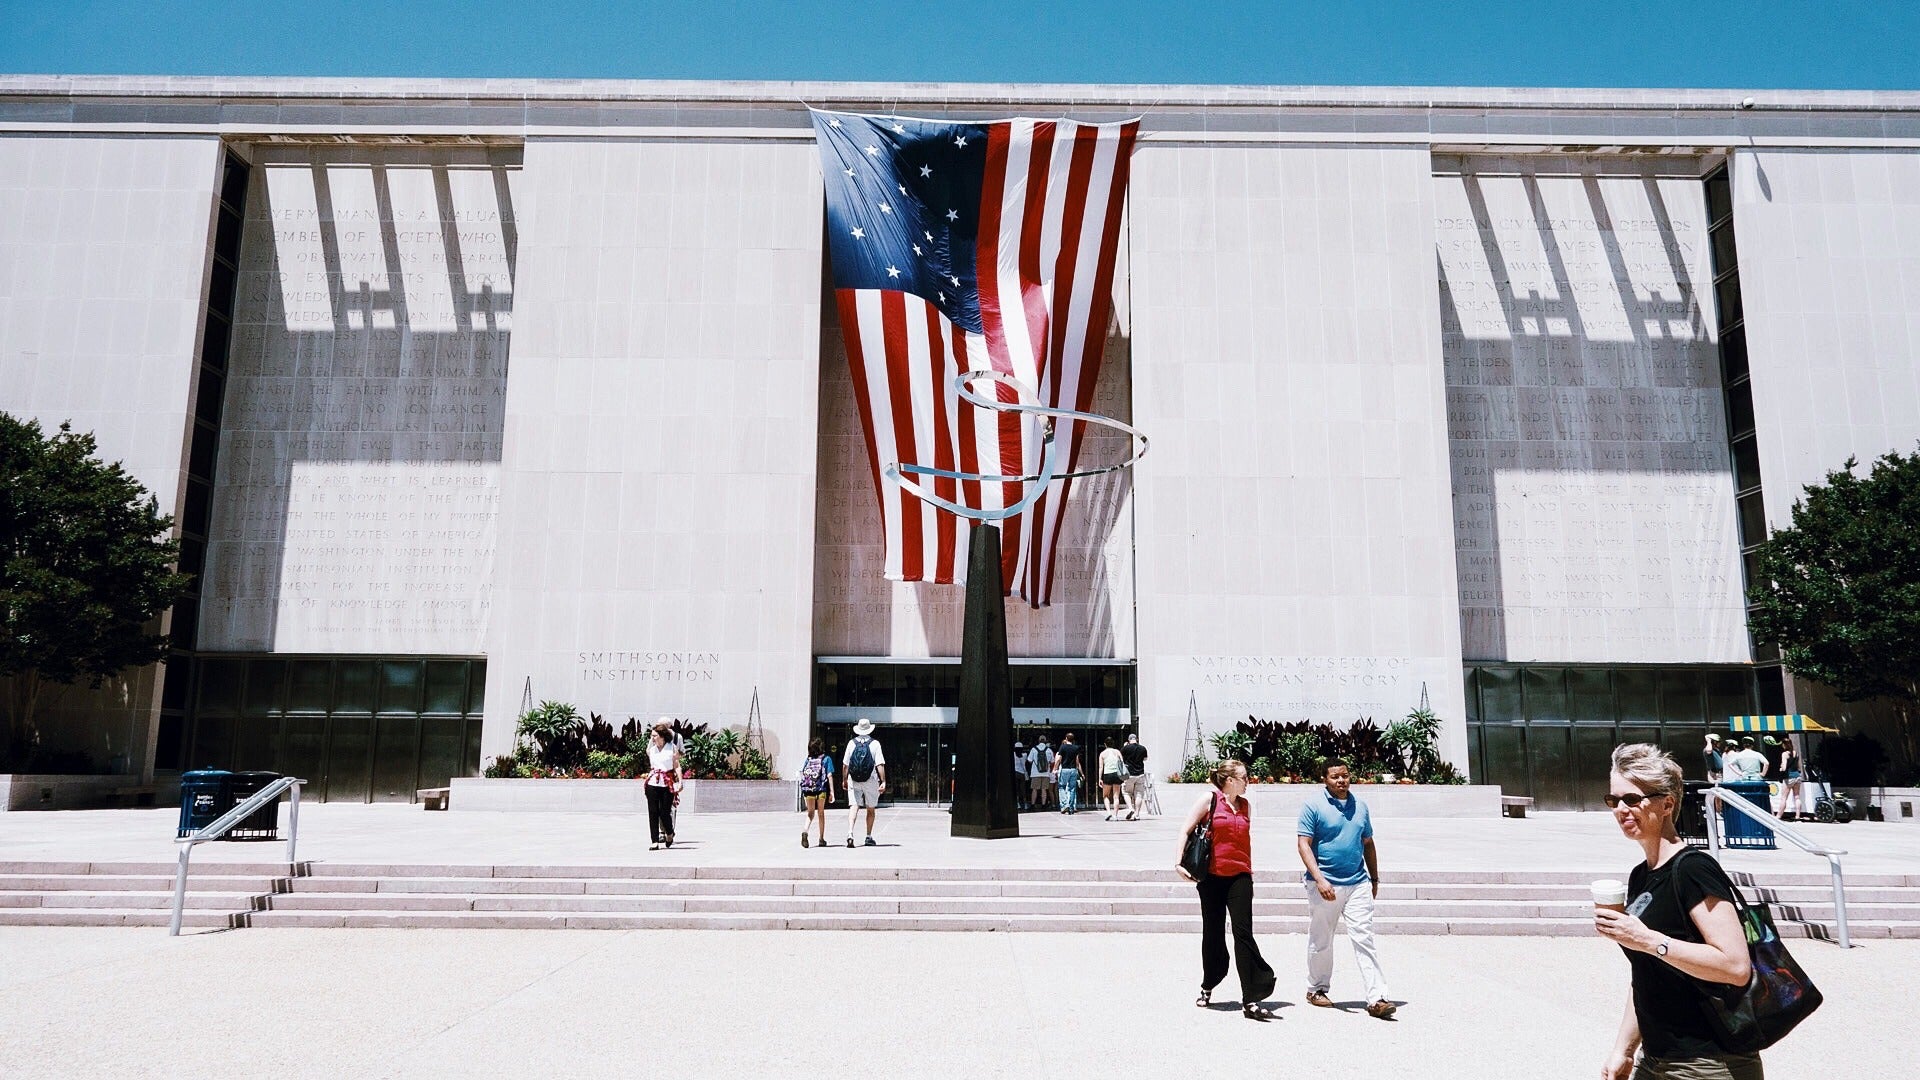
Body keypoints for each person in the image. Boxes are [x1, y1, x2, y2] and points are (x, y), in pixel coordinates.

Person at [1597, 743, 1758, 1080]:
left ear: (1667, 803)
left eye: (1632, 799)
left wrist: (1649, 939)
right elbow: (1647, 976)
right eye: (1614, 800)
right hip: (1656, 1060)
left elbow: (1735, 966)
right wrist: (1623, 1050)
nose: (1621, 810)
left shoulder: (1693, 869)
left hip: (1708, 1063)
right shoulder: (1641, 876)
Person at [1175, 759, 1276, 1019]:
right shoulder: (1209, 800)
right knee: (1213, 933)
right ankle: (1209, 983)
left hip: (1240, 875)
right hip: (1211, 877)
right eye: (1244, 777)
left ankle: (1251, 997)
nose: (1248, 781)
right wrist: (1178, 862)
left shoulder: (1245, 806)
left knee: (1243, 933)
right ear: (1230, 780)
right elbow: (1186, 830)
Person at [1298, 758, 1394, 1019]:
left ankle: (1377, 998)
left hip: (1358, 882)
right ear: (1325, 780)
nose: (1341, 781)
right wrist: (1319, 879)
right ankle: (1316, 988)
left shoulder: (1360, 806)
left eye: (1345, 775)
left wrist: (1374, 879)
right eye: (1335, 777)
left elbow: (1368, 843)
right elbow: (1304, 844)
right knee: (1322, 939)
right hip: (1324, 884)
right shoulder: (1313, 805)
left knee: (1364, 937)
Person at [843, 718, 887, 847]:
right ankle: (868, 836)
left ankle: (850, 833)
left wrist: (844, 779)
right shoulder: (875, 744)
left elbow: (845, 765)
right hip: (870, 779)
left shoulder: (851, 743)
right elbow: (880, 764)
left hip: (854, 779)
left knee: (854, 806)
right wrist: (883, 781)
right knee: (870, 809)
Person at [643, 721, 682, 850]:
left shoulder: (672, 748)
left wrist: (680, 782)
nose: (652, 738)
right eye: (652, 736)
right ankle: (654, 841)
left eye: (655, 736)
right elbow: (651, 762)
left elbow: (677, 767)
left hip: (667, 783)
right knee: (653, 812)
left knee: (665, 812)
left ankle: (669, 833)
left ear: (662, 736)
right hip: (653, 782)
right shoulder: (652, 750)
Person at [797, 736, 835, 849]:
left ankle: (805, 831)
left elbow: (803, 773)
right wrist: (832, 791)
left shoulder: (808, 760)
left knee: (810, 813)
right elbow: (829, 775)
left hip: (808, 790)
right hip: (821, 790)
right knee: (821, 813)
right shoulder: (826, 759)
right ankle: (821, 838)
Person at [1120, 733, 1150, 819]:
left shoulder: (1125, 748)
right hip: (1140, 774)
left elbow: (1120, 759)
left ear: (1129, 740)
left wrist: (1124, 746)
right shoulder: (1142, 748)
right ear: (1136, 739)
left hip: (1129, 774)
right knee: (1139, 794)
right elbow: (1145, 759)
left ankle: (1130, 809)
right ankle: (1137, 814)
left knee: (1126, 792)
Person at [1055, 731, 1083, 814]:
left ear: (1066, 738)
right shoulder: (1076, 748)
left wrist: (1055, 768)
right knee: (1072, 789)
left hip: (1065, 769)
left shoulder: (1063, 747)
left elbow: (1059, 759)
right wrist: (1078, 769)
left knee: (1061, 787)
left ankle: (1065, 804)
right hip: (1073, 769)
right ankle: (1071, 807)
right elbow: (1077, 760)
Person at [1098, 737, 1126, 820]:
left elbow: (1101, 767)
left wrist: (1100, 778)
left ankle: (1109, 812)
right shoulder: (1117, 752)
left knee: (1105, 795)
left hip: (1107, 775)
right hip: (1117, 774)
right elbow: (1122, 763)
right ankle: (1115, 815)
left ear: (1105, 744)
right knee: (1116, 796)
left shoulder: (1102, 754)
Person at [1027, 736, 1054, 810]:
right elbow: (1052, 762)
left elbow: (1029, 760)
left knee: (1034, 789)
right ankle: (1044, 805)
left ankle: (1032, 805)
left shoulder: (1033, 749)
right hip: (1046, 773)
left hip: (1035, 773)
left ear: (1038, 740)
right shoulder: (1049, 750)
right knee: (1044, 789)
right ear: (1045, 741)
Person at [1781, 737, 1804, 821]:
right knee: (1797, 797)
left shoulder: (1784, 754)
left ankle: (1779, 816)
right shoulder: (1796, 753)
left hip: (1789, 777)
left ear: (1784, 745)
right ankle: (1797, 816)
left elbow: (1784, 767)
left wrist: (1780, 768)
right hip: (1797, 776)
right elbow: (1798, 766)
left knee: (1784, 798)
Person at [1013, 740, 1030, 811]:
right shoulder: (1025, 755)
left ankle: (1018, 804)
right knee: (1023, 789)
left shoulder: (1013, 754)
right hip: (1022, 773)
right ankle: (1025, 804)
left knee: (1016, 789)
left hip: (1015, 772)